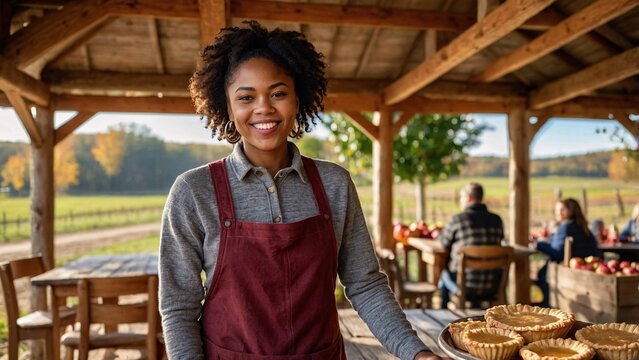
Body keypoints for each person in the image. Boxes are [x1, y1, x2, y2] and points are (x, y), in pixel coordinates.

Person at [159, 21, 443, 360]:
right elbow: (179, 307)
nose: (263, 107)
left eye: (278, 93)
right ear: (227, 106)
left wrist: (417, 353)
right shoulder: (194, 191)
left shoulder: (335, 184)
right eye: (246, 97)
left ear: (298, 98)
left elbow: (366, 285)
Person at [438, 182, 504, 309]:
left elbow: (444, 242)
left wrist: (440, 235)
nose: (461, 201)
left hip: (465, 286)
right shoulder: (497, 220)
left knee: (443, 275)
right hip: (493, 285)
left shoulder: (457, 219)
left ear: (469, 198)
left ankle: (443, 316)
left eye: (462, 198)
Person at [533, 198, 602, 307]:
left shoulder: (566, 226)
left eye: (562, 209)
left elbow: (557, 253)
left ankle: (547, 306)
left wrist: (537, 244)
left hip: (567, 271)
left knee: (543, 272)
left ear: (572, 211)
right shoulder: (583, 227)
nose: (558, 213)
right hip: (584, 269)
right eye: (557, 210)